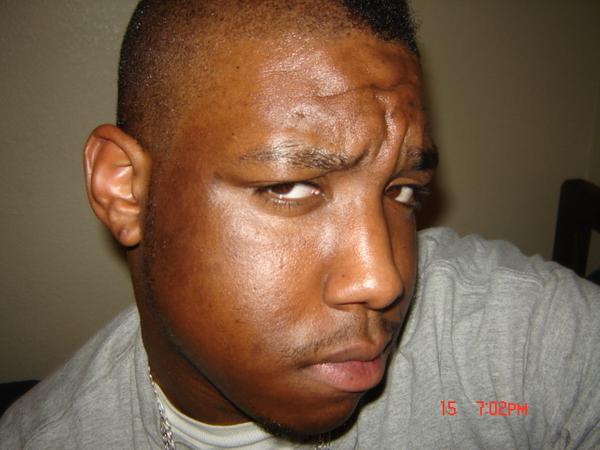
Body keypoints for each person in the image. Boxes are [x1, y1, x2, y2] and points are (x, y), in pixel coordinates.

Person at [1, 1, 599, 448]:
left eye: (402, 191)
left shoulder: (525, 345)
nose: (383, 280)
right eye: (289, 186)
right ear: (125, 191)